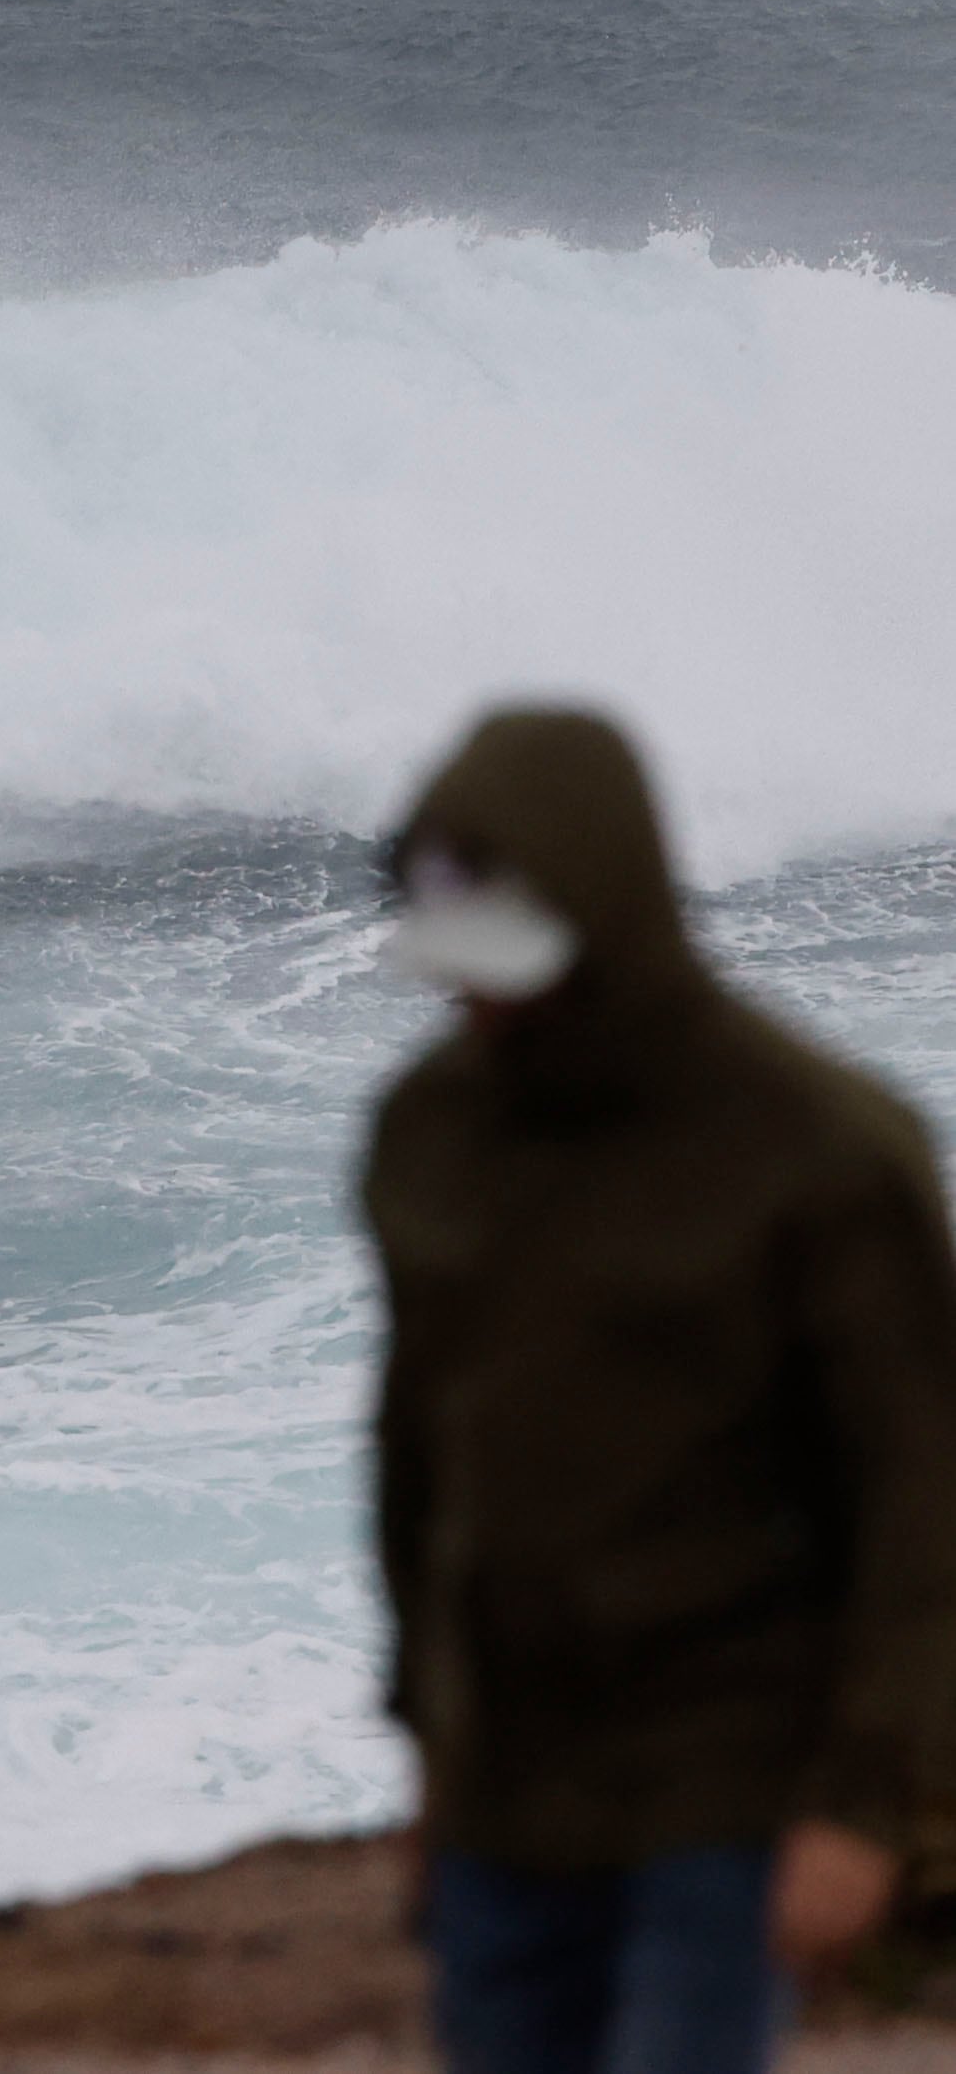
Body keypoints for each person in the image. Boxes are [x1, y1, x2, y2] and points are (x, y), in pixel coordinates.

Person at [366, 708, 956, 2074]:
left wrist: (866, 1806)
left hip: (727, 1779)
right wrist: (430, 1746)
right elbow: (417, 1459)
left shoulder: (819, 1150)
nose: (473, 999)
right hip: (507, 1789)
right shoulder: (428, 1134)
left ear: (605, 911)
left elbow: (920, 1496)